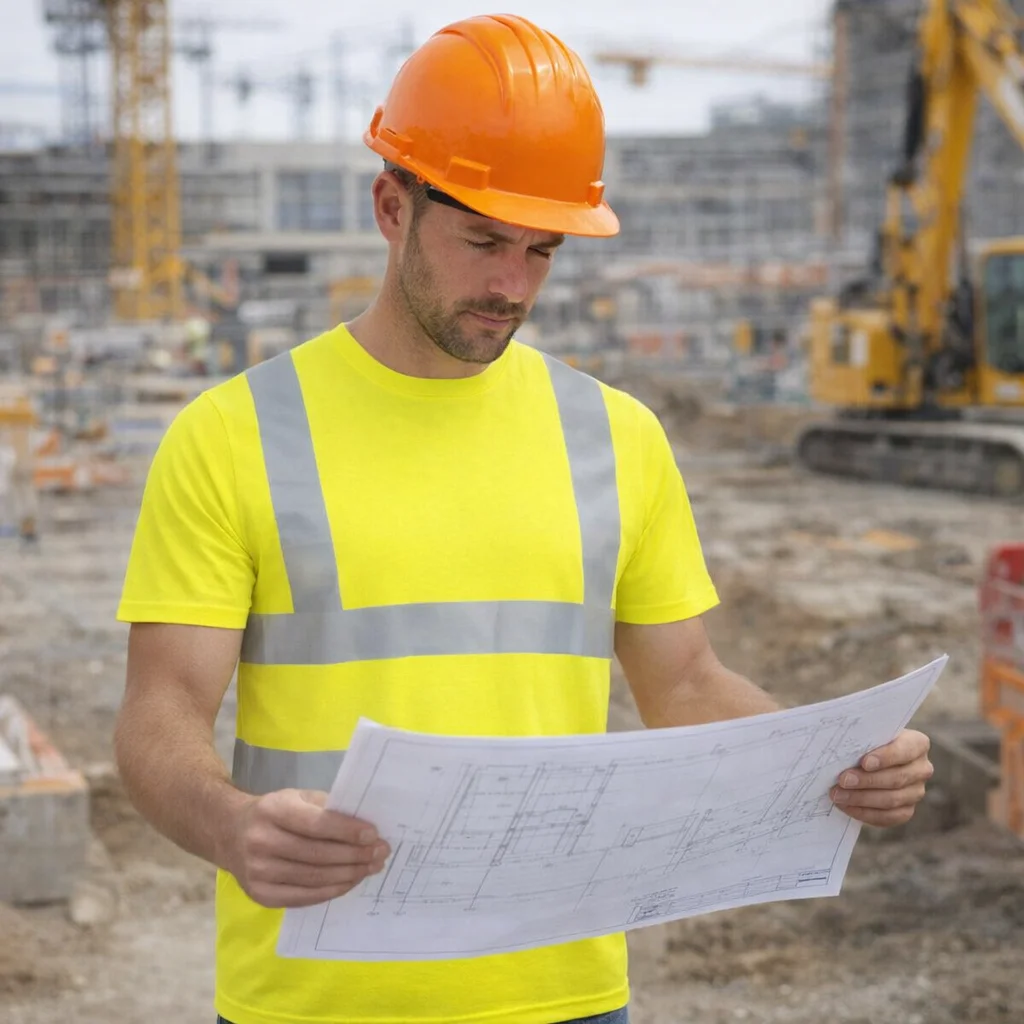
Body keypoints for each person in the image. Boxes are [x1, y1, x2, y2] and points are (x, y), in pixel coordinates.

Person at [112, 14, 934, 1024]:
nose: (512, 285)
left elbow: (684, 684)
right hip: (315, 996)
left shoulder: (615, 436)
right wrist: (234, 825)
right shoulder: (233, 435)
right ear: (390, 205)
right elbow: (159, 715)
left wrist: (841, 765)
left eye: (541, 251)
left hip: (564, 993)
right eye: (483, 241)